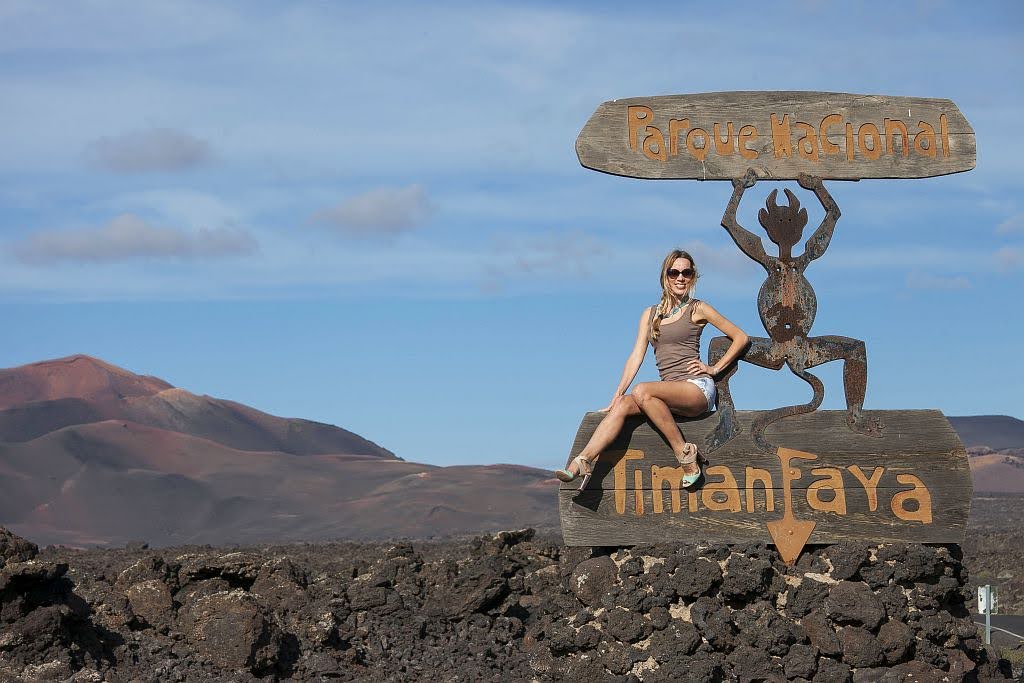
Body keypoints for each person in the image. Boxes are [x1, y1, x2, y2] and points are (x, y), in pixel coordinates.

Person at [555, 249, 749, 489]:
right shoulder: (650, 315)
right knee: (625, 402)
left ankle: (686, 455)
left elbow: (740, 337)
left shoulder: (698, 308)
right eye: (674, 272)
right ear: (665, 277)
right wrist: (617, 394)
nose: (680, 278)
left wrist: (714, 369)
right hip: (666, 393)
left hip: (696, 389)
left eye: (686, 273)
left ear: (693, 277)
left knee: (642, 390)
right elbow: (637, 355)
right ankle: (582, 462)